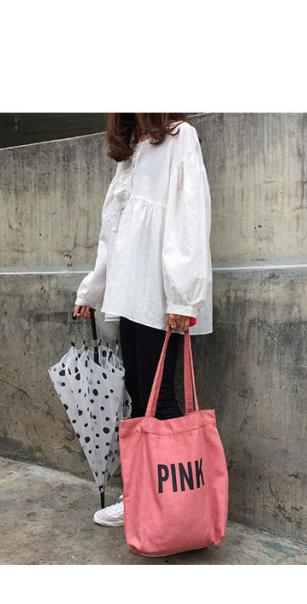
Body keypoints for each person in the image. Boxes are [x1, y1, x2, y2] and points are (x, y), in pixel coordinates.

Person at [72, 113, 213, 526]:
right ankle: (143, 496)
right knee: (137, 391)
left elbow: (190, 217)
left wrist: (183, 296)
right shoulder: (132, 152)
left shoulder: (180, 138)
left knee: (160, 395)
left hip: (160, 293)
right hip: (128, 291)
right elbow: (113, 231)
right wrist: (93, 289)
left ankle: (176, 508)